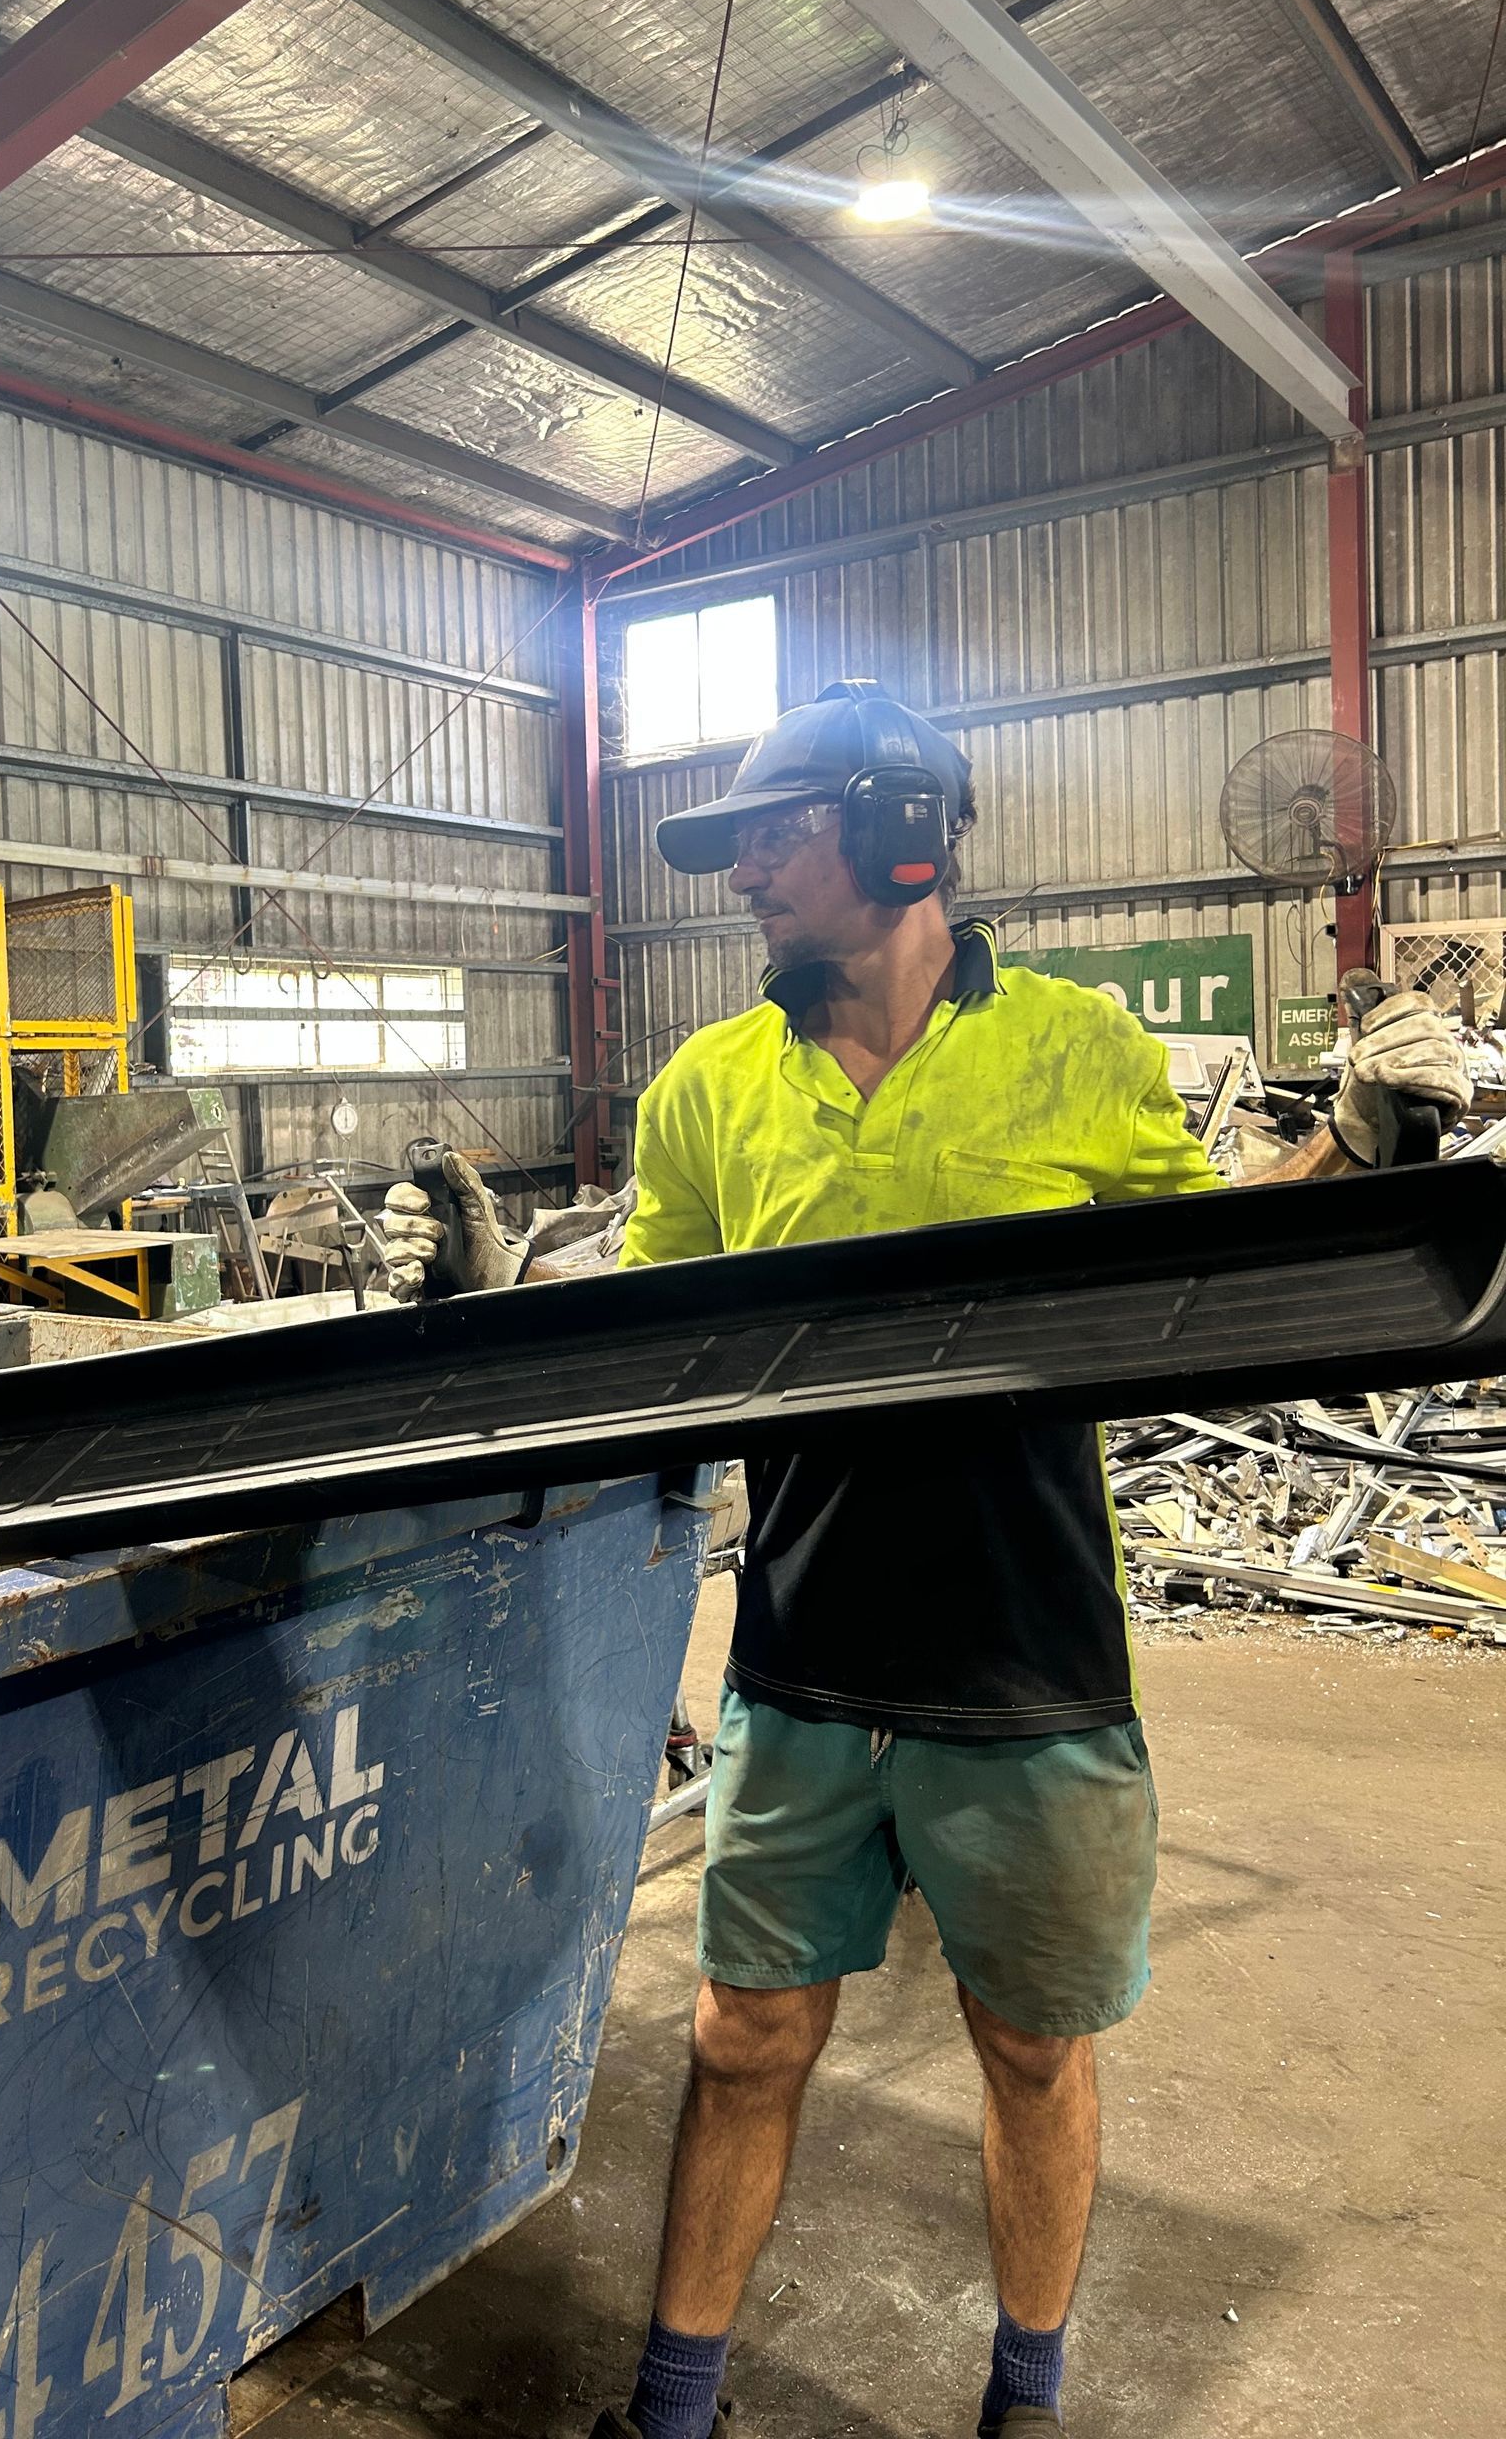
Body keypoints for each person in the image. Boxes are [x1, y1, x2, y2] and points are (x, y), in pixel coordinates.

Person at [572, 682, 1470, 2439]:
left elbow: (1215, 1280)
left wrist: (1357, 1150)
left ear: (902, 832)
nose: (740, 872)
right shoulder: (708, 1085)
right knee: (744, 2042)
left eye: (774, 832)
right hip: (804, 1655)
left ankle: (1026, 2402)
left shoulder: (1079, 1049)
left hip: (1026, 1660)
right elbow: (645, 1331)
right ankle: (674, 2409)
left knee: (1032, 2050)